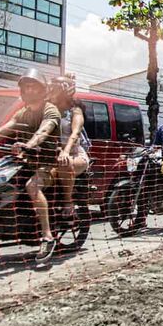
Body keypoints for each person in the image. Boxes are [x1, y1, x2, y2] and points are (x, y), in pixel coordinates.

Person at [0, 68, 61, 264]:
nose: (28, 91)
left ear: (42, 90)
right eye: (25, 87)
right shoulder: (22, 112)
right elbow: (3, 129)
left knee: (32, 185)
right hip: (24, 163)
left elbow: (44, 130)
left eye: (33, 87)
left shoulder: (50, 109)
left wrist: (29, 145)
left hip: (48, 164)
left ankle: (47, 237)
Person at [49, 74, 90, 219]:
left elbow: (75, 133)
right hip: (52, 154)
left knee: (64, 164)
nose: (51, 91)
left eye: (55, 89)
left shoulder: (74, 111)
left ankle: (68, 202)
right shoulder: (48, 110)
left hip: (74, 155)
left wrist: (66, 152)